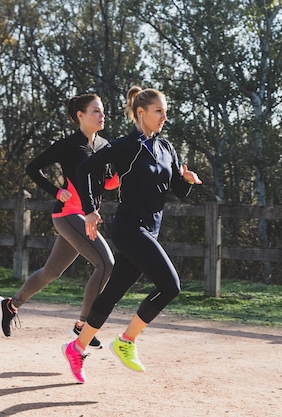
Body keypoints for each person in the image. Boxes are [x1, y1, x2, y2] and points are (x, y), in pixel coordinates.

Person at [61, 86, 202, 383]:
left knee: (112, 292)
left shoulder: (167, 149)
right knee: (171, 285)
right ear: (141, 113)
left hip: (150, 230)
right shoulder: (125, 146)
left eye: (165, 111)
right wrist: (89, 209)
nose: (164, 117)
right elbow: (85, 169)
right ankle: (126, 341)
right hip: (129, 228)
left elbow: (176, 190)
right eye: (158, 111)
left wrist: (187, 181)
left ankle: (76, 347)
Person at [0, 94, 118, 348]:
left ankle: (11, 305)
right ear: (80, 116)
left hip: (86, 215)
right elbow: (33, 167)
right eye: (96, 111)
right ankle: (83, 324)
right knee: (105, 264)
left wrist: (122, 173)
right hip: (68, 213)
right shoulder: (69, 144)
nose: (102, 115)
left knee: (52, 271)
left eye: (102, 111)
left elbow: (107, 182)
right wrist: (55, 191)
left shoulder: (105, 146)